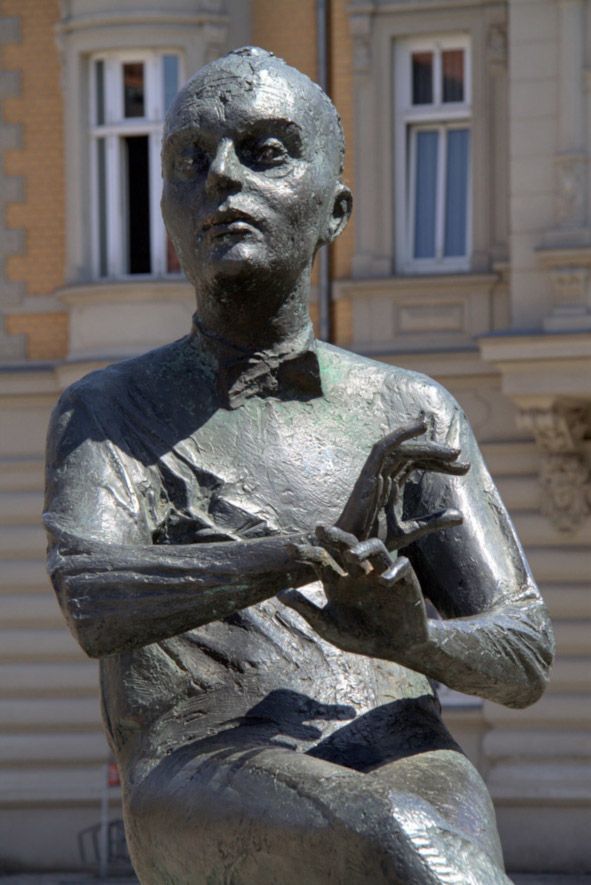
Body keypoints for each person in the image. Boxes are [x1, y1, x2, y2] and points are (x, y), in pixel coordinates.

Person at [44, 47, 554, 884]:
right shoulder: (110, 408)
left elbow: (525, 656)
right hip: (202, 761)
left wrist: (415, 636)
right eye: (189, 159)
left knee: (435, 844)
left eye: (266, 151)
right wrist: (295, 554)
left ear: (334, 210)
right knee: (400, 839)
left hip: (399, 745)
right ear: (167, 208)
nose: (221, 178)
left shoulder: (409, 409)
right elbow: (93, 596)